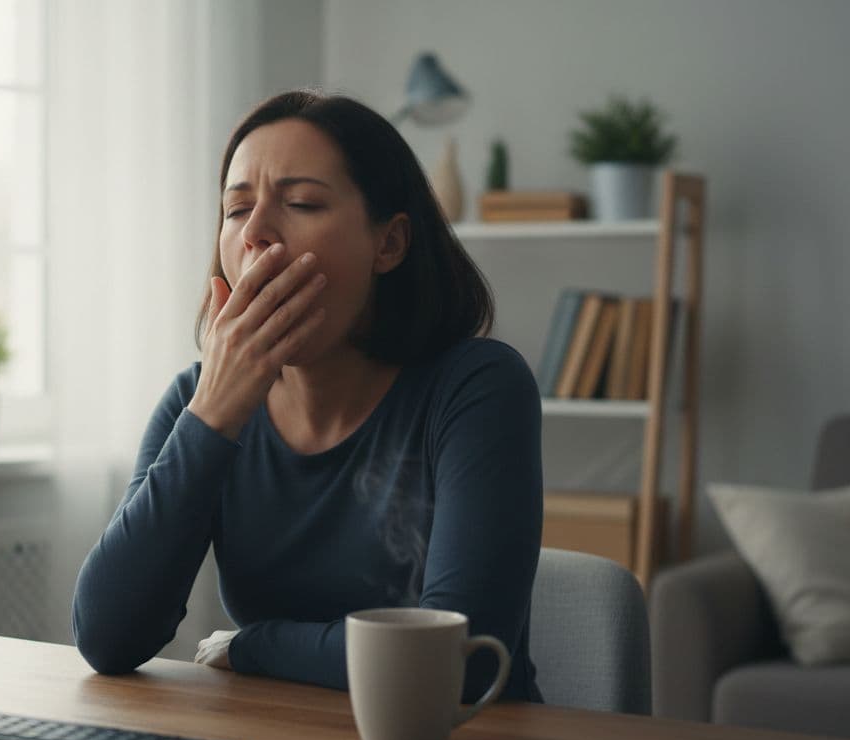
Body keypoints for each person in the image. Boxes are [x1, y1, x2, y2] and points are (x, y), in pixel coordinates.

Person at [72, 90, 543, 703]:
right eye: (237, 211)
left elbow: (455, 662)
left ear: (390, 244)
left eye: (300, 203)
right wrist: (213, 417)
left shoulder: (476, 387)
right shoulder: (198, 400)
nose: (258, 233)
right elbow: (107, 638)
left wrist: (254, 644)